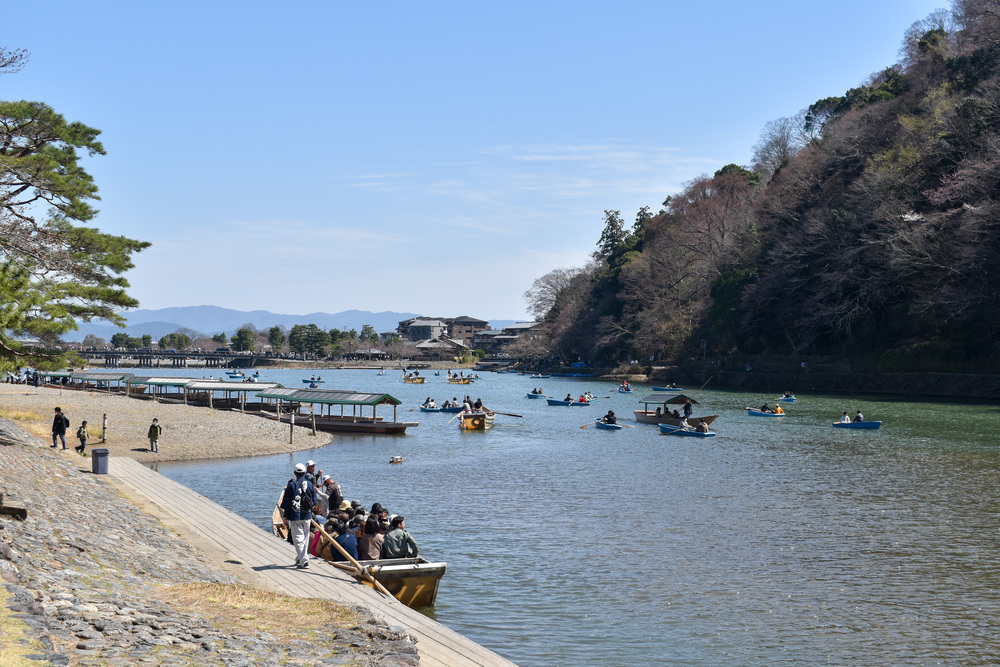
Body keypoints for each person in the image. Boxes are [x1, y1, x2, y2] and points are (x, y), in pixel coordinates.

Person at [280, 462, 317, 569]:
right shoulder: (310, 484)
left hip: (295, 515)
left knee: (297, 539)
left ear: (295, 473)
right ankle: (300, 558)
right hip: (307, 516)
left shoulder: (291, 485)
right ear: (304, 472)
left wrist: (285, 517)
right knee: (304, 539)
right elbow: (314, 502)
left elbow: (286, 504)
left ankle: (304, 561)